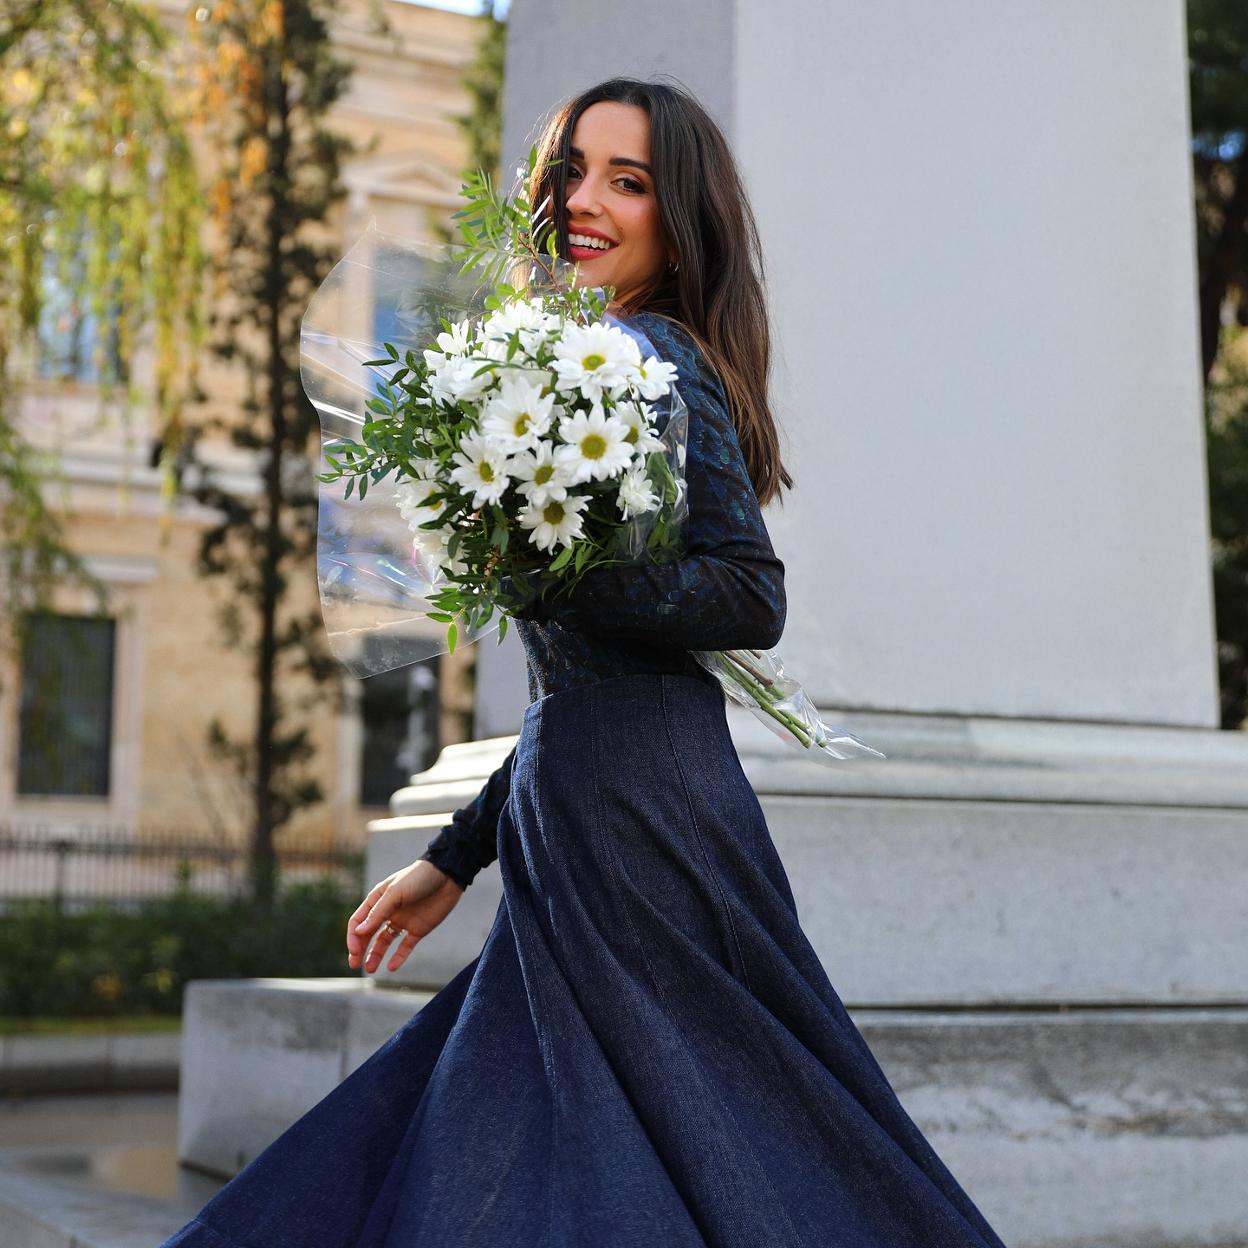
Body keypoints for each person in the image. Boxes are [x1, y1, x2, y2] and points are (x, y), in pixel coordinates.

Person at [160, 77, 1009, 1248]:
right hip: (581, 808)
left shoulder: (656, 358)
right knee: (547, 1130)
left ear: (681, 212)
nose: (586, 201)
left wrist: (552, 564)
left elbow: (747, 594)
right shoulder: (568, 366)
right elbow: (586, 674)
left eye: (630, 179)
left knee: (703, 1135)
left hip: (649, 815)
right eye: (571, 171)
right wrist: (457, 857)